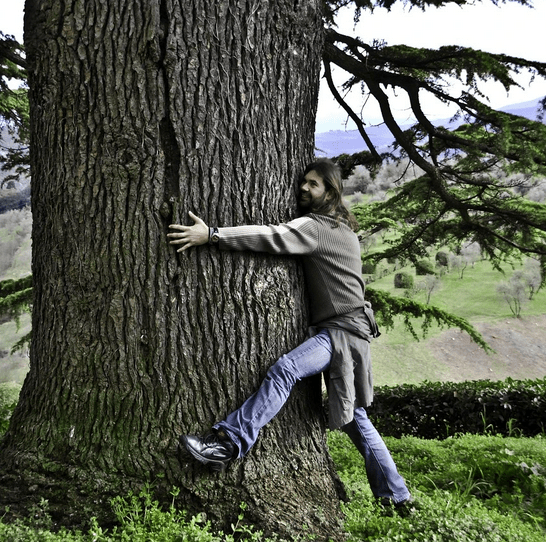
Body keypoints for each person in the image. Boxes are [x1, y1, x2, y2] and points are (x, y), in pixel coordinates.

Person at [167, 159, 412, 508]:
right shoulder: (344, 228)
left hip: (341, 333)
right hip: (352, 330)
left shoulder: (317, 227)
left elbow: (274, 236)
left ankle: (228, 443)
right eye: (304, 182)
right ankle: (396, 497)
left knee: (286, 369)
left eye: (313, 184)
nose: (303, 188)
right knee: (355, 418)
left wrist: (213, 235)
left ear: (330, 192)